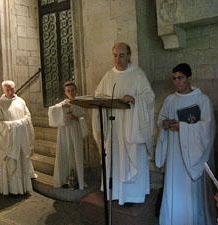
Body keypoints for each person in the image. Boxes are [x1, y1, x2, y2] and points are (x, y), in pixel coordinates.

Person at [92, 42, 155, 205]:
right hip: (114, 128)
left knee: (132, 158)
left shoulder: (138, 74)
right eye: (114, 56)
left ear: (129, 56)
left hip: (132, 127)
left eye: (121, 56)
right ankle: (115, 194)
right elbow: (98, 95)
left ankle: (133, 195)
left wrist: (135, 99)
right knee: (115, 160)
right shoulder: (108, 75)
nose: (117, 60)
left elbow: (149, 97)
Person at [155, 63, 216, 225]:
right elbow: (161, 119)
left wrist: (182, 127)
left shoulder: (202, 100)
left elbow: (207, 128)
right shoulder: (170, 100)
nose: (176, 82)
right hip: (175, 154)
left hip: (193, 157)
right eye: (174, 79)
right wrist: (165, 124)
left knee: (191, 191)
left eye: (180, 78)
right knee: (175, 189)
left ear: (189, 78)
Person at [0, 80, 36, 195]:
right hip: (9, 141)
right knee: (12, 164)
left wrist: (20, 123)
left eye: (12, 88)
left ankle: (24, 188)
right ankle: (13, 190)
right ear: (3, 90)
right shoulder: (0, 104)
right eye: (8, 89)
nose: (10, 91)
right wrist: (16, 125)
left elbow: (28, 116)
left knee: (22, 161)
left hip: (21, 140)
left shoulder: (21, 101)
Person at [48, 81, 87, 190]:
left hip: (76, 131)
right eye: (68, 91)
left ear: (76, 91)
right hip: (64, 133)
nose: (71, 92)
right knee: (64, 153)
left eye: (73, 90)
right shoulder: (63, 103)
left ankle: (78, 180)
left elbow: (86, 119)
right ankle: (63, 179)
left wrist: (76, 118)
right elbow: (52, 111)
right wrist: (61, 109)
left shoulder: (81, 103)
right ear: (65, 93)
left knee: (76, 154)